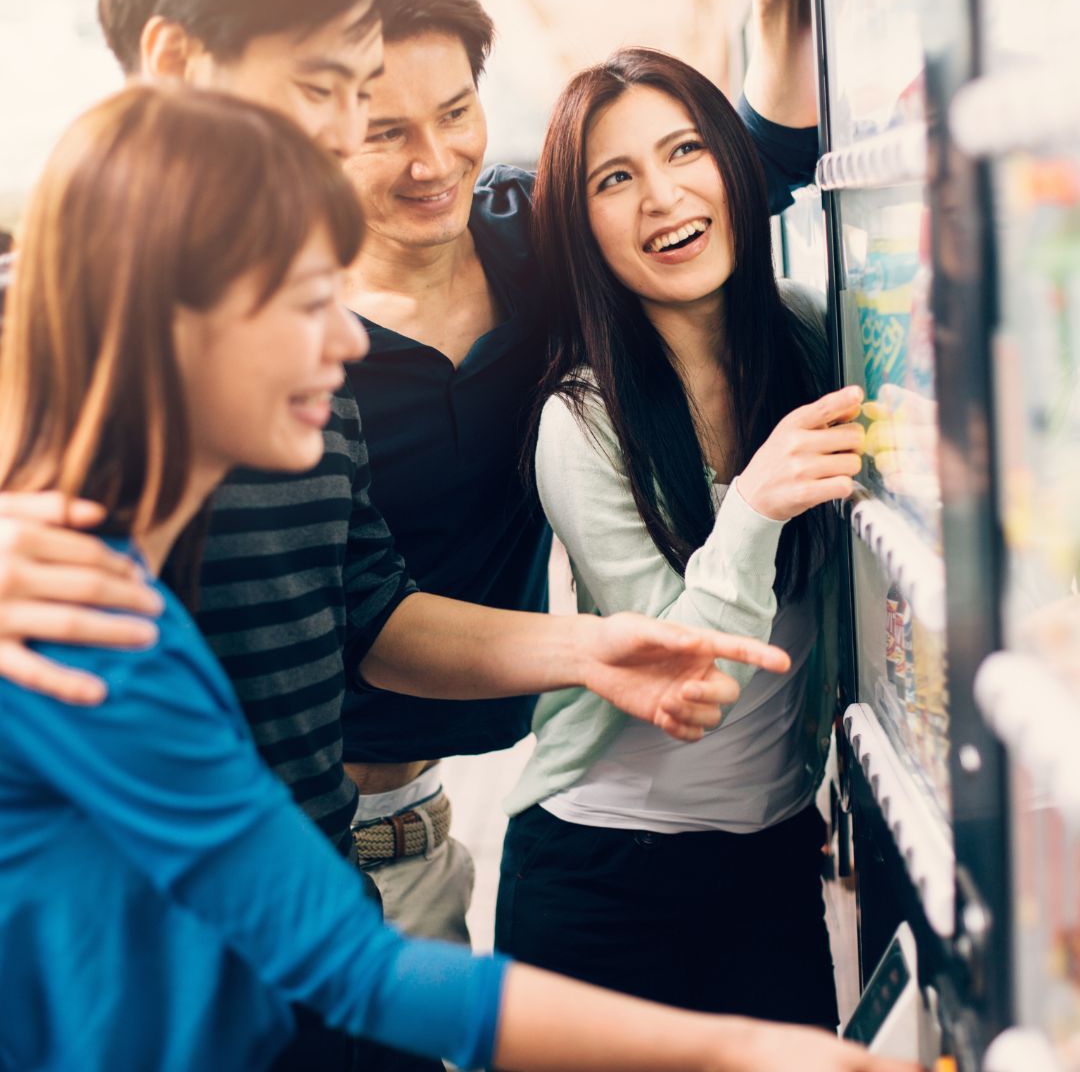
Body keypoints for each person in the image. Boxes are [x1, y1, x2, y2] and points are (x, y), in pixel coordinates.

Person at [0, 81, 917, 1072]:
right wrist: (738, 1052)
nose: (352, 339)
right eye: (311, 300)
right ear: (173, 321)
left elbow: (378, 620)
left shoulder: (121, 597)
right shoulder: (80, 633)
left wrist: (591, 648)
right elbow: (353, 967)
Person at [339, 0, 826, 946]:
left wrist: (781, 15)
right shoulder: (289, 343)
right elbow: (371, 619)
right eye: (384, 131)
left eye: (453, 113)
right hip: (279, 818)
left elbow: (739, 171)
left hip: (422, 825)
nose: (433, 161)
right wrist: (600, 656)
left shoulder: (532, 238)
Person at [494, 47, 867, 1030]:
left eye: (685, 150)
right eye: (615, 179)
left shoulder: (814, 337)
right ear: (582, 229)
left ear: (734, 168)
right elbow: (690, 691)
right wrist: (754, 506)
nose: (663, 197)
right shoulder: (579, 422)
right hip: (599, 874)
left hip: (774, 850)